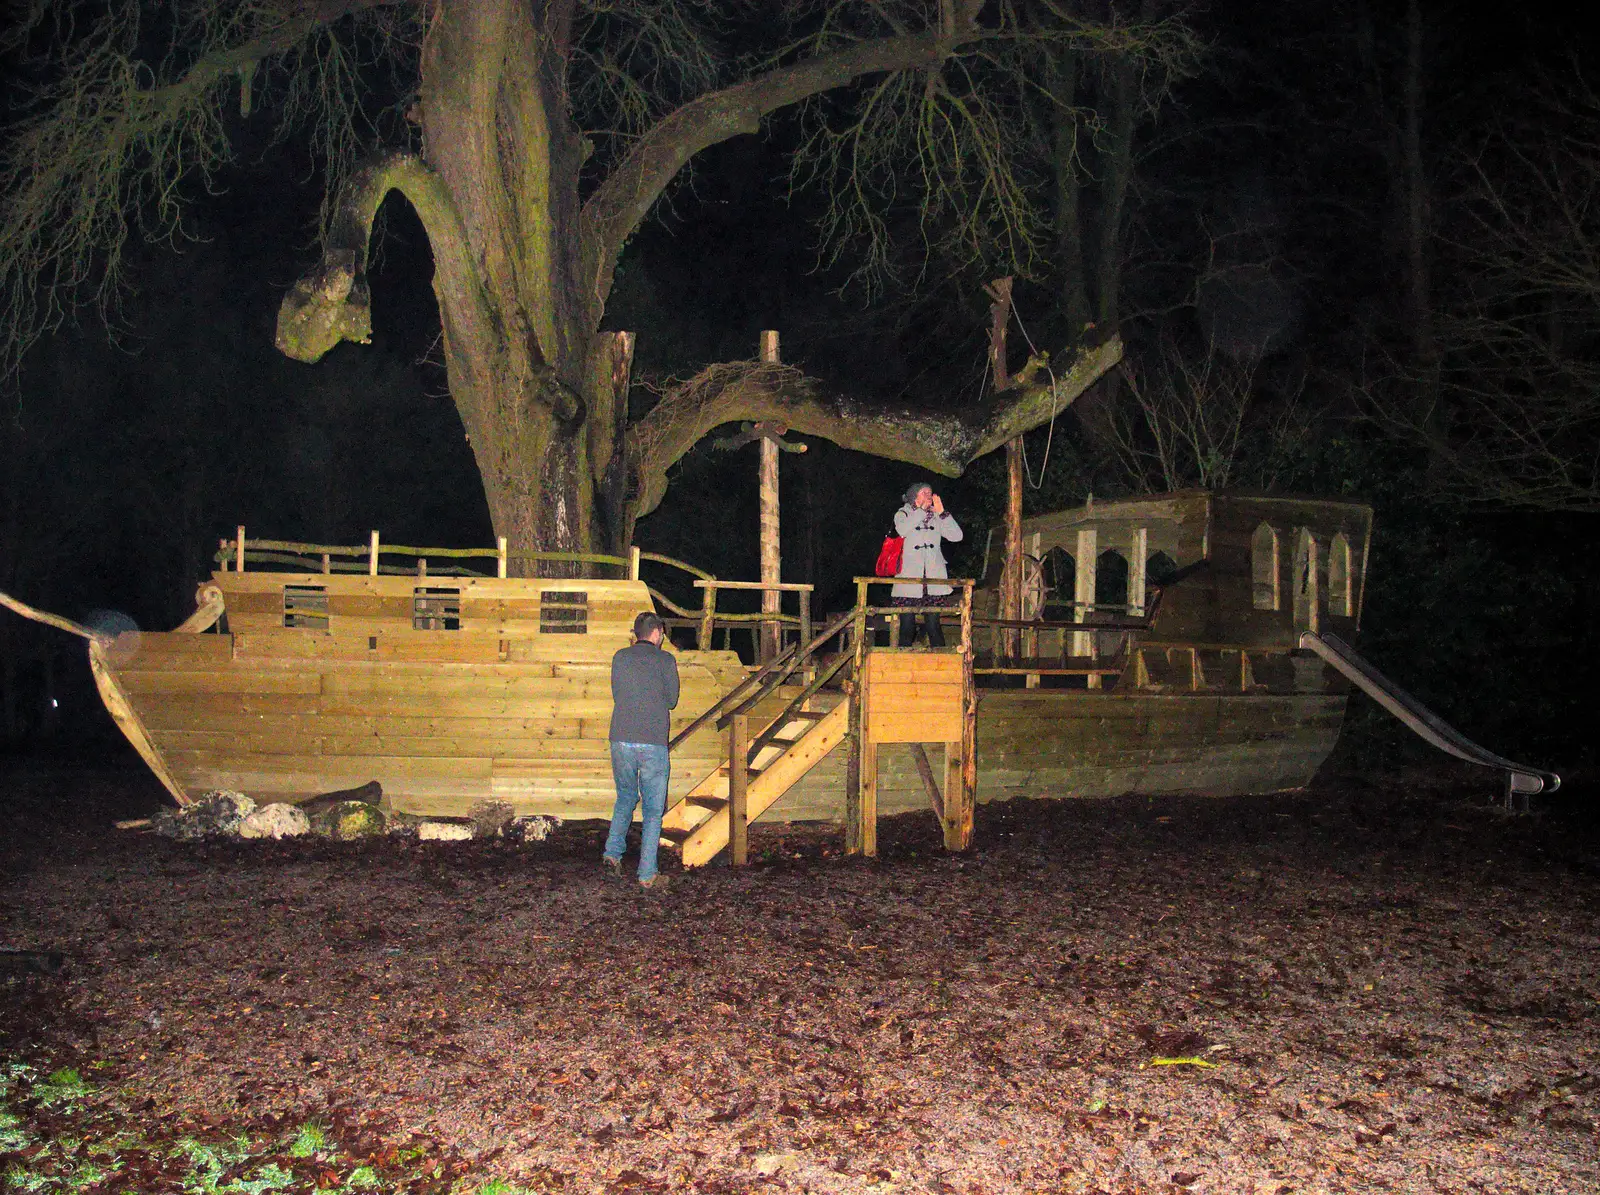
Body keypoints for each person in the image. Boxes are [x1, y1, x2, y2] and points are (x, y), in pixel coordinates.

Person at [604, 611, 679, 888]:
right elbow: (672, 700)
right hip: (652, 742)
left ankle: (612, 854)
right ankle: (647, 874)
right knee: (652, 810)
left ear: (636, 633)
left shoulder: (619, 658)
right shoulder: (666, 660)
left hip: (620, 738)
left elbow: (617, 694)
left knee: (625, 797)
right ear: (657, 632)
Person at [892, 482, 963, 647]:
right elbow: (902, 530)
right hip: (908, 578)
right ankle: (901, 663)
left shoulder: (937, 517)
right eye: (924, 492)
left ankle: (942, 665)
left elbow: (957, 536)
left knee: (933, 626)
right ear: (914, 496)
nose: (929, 495)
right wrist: (921, 512)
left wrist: (942, 513)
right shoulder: (903, 513)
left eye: (930, 493)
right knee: (907, 627)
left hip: (933, 578)